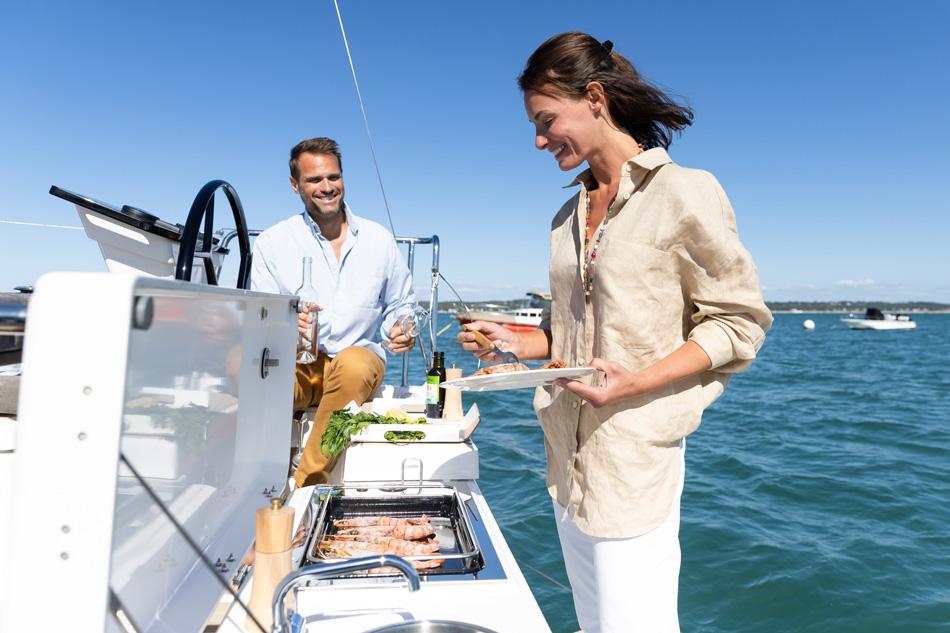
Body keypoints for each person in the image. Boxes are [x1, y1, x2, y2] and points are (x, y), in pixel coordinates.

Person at [459, 33, 772, 632]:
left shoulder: (684, 192)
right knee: (593, 621)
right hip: (565, 463)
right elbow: (570, 334)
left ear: (595, 98)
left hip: (632, 461)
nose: (539, 140)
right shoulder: (566, 215)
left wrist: (637, 382)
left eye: (546, 121)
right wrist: (513, 341)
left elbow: (739, 322)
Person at [251, 137, 416, 487]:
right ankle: (239, 479)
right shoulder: (272, 242)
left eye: (333, 177)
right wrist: (286, 324)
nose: (327, 187)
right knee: (239, 368)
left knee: (353, 364)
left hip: (358, 361)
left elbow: (401, 304)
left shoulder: (379, 239)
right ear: (295, 185)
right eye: (314, 180)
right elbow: (262, 315)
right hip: (299, 364)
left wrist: (403, 327)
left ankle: (307, 484)